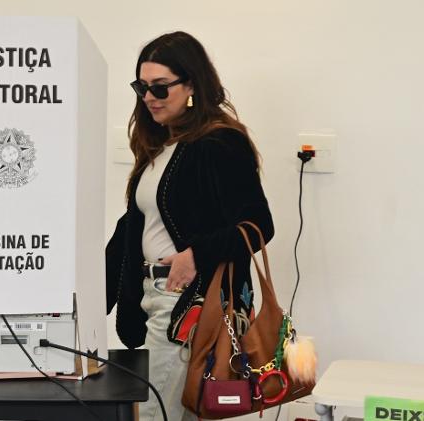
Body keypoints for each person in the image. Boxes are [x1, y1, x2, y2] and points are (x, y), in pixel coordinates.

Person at [105, 31, 274, 421]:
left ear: (192, 85)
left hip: (185, 303)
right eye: (142, 87)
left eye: (160, 88)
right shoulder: (160, 147)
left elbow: (259, 224)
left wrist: (196, 256)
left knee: (151, 414)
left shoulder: (219, 143)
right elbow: (130, 232)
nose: (148, 97)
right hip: (155, 297)